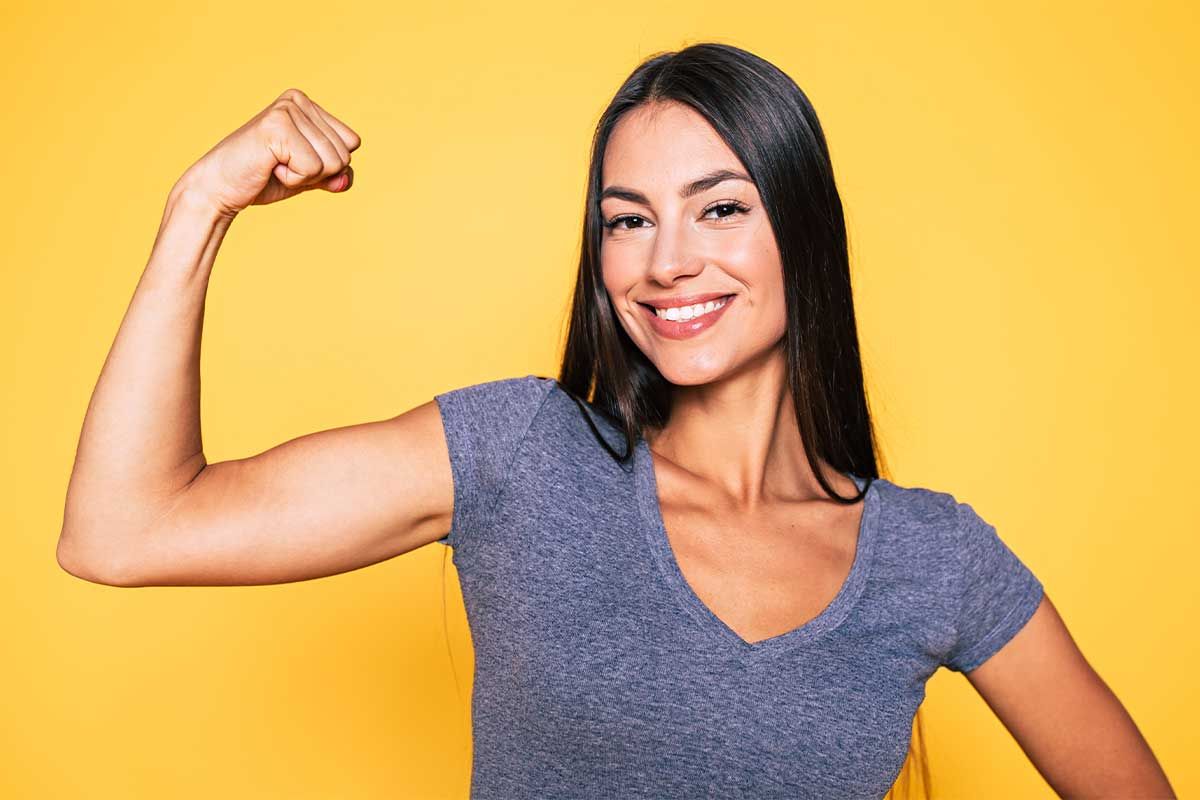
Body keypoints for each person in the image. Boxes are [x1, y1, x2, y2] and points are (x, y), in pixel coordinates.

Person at [56, 41, 1174, 800]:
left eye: (721, 207)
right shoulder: (519, 457)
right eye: (627, 219)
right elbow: (123, 530)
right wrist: (198, 207)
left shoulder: (937, 557)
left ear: (804, 229)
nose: (668, 259)